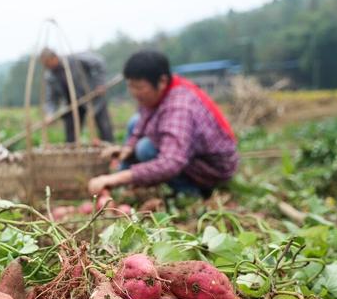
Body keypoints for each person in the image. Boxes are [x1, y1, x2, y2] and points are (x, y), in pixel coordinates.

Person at [88, 50, 238, 198]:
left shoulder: (179, 106)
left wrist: (116, 179)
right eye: (130, 86)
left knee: (146, 148)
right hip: (190, 154)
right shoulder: (155, 96)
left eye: (139, 87)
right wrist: (128, 148)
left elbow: (171, 162)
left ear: (162, 81)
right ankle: (128, 184)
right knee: (135, 122)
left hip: (210, 171)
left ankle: (190, 192)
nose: (134, 92)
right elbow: (142, 123)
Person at [40, 48, 114, 143]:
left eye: (47, 63)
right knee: (71, 134)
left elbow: (98, 62)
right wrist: (50, 113)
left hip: (92, 97)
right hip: (72, 104)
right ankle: (72, 153)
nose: (46, 66)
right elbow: (51, 98)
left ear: (54, 58)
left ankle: (111, 150)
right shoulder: (50, 76)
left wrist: (100, 83)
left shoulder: (75, 59)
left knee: (105, 128)